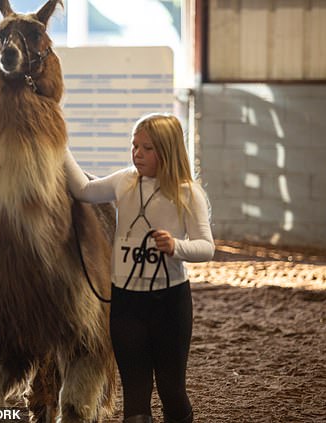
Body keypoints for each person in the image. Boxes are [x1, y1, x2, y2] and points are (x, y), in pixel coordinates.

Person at [64, 113, 214, 423]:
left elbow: (207, 247)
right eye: (134, 146)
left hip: (170, 304)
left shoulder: (188, 192)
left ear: (168, 150)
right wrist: (57, 142)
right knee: (135, 395)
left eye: (147, 148)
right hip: (127, 304)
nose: (137, 153)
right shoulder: (124, 181)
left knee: (172, 391)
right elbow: (82, 189)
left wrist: (176, 246)